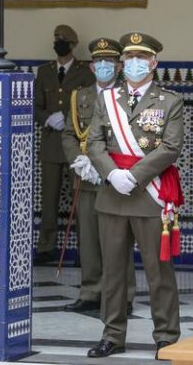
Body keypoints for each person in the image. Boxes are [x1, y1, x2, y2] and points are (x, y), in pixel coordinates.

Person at [85, 32, 182, 359]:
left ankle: (167, 336)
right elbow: (94, 143)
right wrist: (111, 173)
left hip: (150, 195)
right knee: (113, 271)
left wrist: (135, 176)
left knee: (159, 271)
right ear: (122, 62)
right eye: (129, 58)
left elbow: (171, 147)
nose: (134, 63)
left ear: (154, 62)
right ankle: (112, 334)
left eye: (142, 57)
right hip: (112, 195)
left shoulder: (169, 101)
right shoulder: (107, 99)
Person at [61, 38, 136, 315]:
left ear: (118, 66)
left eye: (110, 62)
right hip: (85, 177)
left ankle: (124, 295)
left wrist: (104, 166)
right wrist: (78, 161)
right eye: (99, 62)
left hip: (114, 177)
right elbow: (70, 133)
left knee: (118, 239)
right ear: (92, 68)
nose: (104, 66)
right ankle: (91, 291)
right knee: (89, 239)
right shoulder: (79, 96)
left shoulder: (127, 95)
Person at [34, 25, 95, 264]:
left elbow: (89, 105)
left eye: (62, 40)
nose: (57, 42)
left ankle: (84, 249)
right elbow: (36, 105)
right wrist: (47, 118)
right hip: (50, 142)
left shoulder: (84, 73)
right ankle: (46, 247)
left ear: (72, 44)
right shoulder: (45, 71)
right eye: (55, 38)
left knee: (80, 199)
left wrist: (68, 119)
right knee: (48, 199)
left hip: (76, 144)